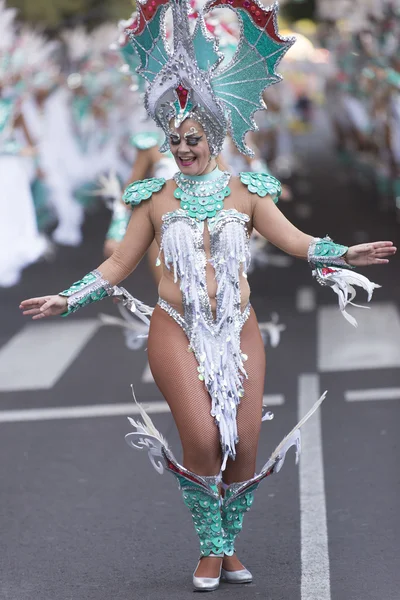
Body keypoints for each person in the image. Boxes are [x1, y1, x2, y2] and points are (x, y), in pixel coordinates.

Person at [20, 0, 396, 592]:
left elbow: (295, 240)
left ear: (215, 135)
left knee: (244, 449)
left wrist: (345, 255)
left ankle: (227, 544)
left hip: (236, 328)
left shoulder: (249, 192)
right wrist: (67, 299)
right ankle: (211, 548)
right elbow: (119, 263)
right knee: (202, 440)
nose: (183, 149)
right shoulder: (154, 197)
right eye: (175, 140)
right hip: (176, 326)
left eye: (193, 139)